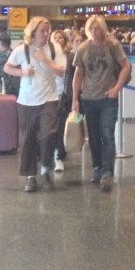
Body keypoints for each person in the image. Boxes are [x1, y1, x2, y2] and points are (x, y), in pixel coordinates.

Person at [3, 16, 65, 193]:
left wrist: (45, 59)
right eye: (42, 31)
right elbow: (7, 67)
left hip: (49, 99)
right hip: (27, 100)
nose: (46, 34)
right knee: (28, 138)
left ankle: (46, 169)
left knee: (47, 135)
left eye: (48, 31)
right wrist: (22, 72)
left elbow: (60, 72)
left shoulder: (54, 48)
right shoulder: (22, 50)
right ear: (33, 32)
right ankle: (31, 177)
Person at [71, 14, 131, 191]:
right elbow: (78, 75)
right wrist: (75, 99)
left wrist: (116, 88)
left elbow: (125, 66)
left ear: (103, 29)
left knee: (107, 134)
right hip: (89, 99)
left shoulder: (113, 45)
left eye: (96, 28)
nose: (93, 31)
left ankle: (107, 171)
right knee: (94, 137)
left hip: (107, 99)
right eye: (91, 28)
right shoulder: (83, 48)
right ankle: (97, 166)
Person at [50, 29, 74, 173]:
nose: (58, 40)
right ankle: (51, 152)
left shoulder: (69, 57)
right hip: (48, 94)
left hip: (64, 95)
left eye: (60, 38)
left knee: (60, 126)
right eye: (55, 37)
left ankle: (59, 155)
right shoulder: (47, 55)